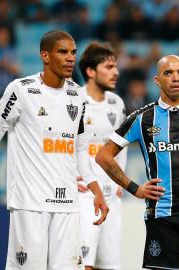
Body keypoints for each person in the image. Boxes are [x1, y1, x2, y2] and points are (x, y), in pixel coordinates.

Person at [0, 30, 108, 270]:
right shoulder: (20, 90)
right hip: (30, 203)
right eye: (63, 52)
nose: (70, 58)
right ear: (45, 56)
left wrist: (96, 191)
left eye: (73, 52)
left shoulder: (77, 96)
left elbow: (80, 150)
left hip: (67, 203)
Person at [96, 55, 179, 270]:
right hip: (162, 219)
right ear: (157, 80)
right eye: (168, 73)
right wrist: (135, 188)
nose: (175, 77)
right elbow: (103, 156)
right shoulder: (142, 118)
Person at [77, 41, 127, 270]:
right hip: (85, 192)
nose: (115, 72)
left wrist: (121, 179)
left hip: (111, 194)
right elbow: (66, 144)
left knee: (109, 264)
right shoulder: (74, 101)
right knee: (83, 262)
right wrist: (71, 176)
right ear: (90, 71)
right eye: (108, 67)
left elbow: (121, 143)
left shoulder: (117, 103)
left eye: (115, 66)